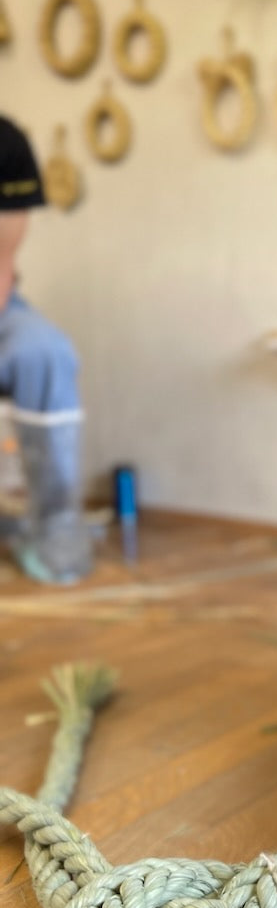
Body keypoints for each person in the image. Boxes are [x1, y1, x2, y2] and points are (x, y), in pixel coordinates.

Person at [0, 114, 92, 584]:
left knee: (45, 352)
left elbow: (3, 258)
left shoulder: (7, 145)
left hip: (3, 310)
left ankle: (56, 533)